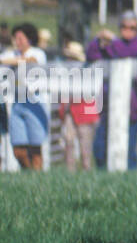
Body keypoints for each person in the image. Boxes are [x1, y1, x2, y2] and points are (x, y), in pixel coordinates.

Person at [88, 11, 137, 170]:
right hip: (109, 106)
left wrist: (112, 40)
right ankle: (102, 178)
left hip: (132, 108)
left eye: (132, 27)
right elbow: (91, 54)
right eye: (124, 26)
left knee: (128, 150)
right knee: (100, 147)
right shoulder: (113, 46)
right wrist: (98, 39)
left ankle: (130, 182)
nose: (128, 30)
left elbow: (125, 53)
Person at [1, 24, 49, 170]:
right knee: (18, 149)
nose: (17, 41)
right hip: (17, 102)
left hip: (34, 101)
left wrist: (5, 61)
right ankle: (28, 172)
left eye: (20, 38)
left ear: (29, 39)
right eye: (15, 38)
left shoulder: (37, 53)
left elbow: (30, 60)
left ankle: (37, 178)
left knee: (35, 148)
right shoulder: (12, 54)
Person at [59, 40, 98, 171]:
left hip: (84, 110)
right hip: (70, 110)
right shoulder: (66, 73)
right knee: (69, 142)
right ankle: (70, 171)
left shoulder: (86, 71)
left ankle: (86, 170)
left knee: (85, 145)